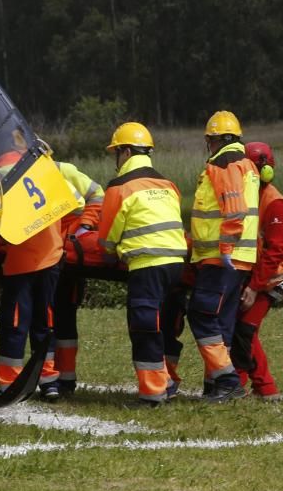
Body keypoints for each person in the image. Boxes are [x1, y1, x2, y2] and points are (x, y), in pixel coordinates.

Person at [98, 122, 188, 405]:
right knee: (167, 323)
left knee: (145, 325)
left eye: (117, 153)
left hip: (147, 265)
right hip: (177, 262)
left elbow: (107, 238)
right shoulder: (167, 184)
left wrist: (111, 254)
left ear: (124, 152)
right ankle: (169, 381)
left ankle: (152, 393)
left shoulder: (120, 187)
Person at [187, 111, 259, 402]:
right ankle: (216, 384)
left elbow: (235, 209)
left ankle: (227, 381)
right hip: (240, 257)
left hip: (222, 256)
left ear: (214, 140)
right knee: (222, 321)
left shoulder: (224, 164)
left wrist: (226, 248)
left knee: (201, 314)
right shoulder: (248, 165)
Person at [0, 140, 64, 399]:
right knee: (46, 322)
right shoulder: (46, 164)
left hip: (21, 260)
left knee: (14, 323)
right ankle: (49, 379)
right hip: (52, 256)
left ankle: (9, 381)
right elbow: (74, 202)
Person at [231, 142, 283, 400]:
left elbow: (275, 251)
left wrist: (254, 287)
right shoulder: (248, 196)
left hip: (269, 278)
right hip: (255, 275)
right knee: (243, 329)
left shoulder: (274, 202)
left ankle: (244, 385)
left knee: (243, 329)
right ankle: (263, 388)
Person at [51, 153, 105, 396]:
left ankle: (65, 378)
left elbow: (98, 195)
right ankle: (51, 377)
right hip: (47, 257)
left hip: (69, 258)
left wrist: (85, 226)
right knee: (48, 320)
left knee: (63, 318)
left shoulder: (64, 170)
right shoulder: (20, 175)